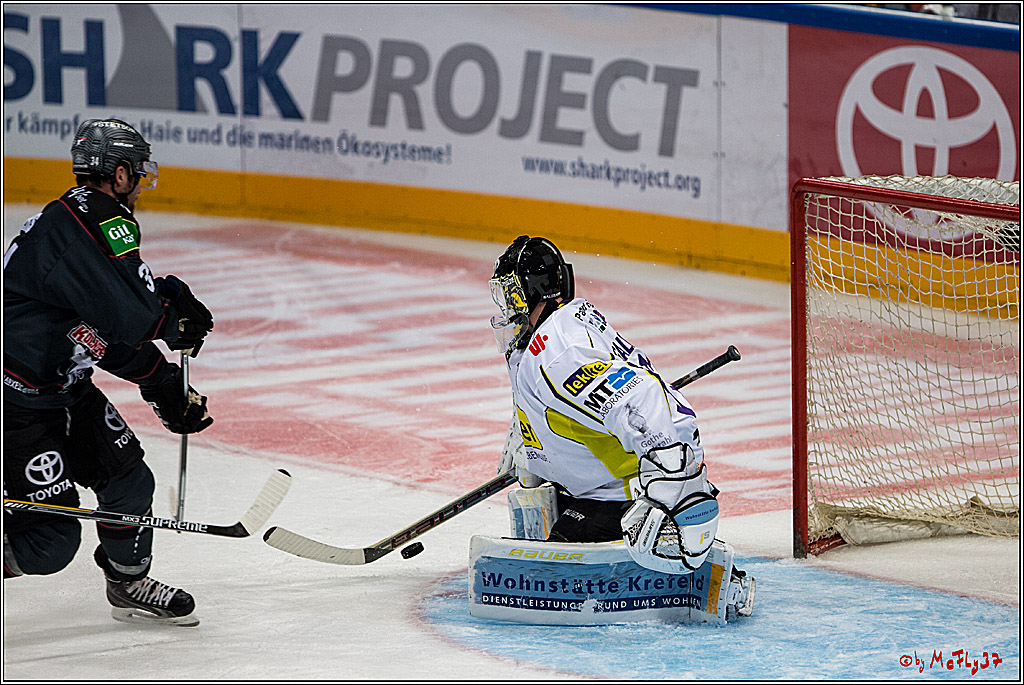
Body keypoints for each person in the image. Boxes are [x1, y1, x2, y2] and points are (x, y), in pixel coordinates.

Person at [3, 118, 214, 626]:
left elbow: (95, 330)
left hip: (62, 390)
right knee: (50, 543)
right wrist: (166, 316)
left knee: (129, 481)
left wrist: (160, 380)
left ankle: (127, 582)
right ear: (118, 174)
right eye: (137, 172)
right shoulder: (84, 225)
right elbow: (131, 317)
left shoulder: (86, 222)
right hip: (16, 405)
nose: (141, 183)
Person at [489, 235, 736, 577]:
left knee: (550, 579)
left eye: (508, 294)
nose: (506, 308)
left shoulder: (557, 352)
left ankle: (671, 530)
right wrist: (531, 449)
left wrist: (672, 488)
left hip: (633, 495)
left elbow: (641, 397)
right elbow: (570, 408)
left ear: (528, 291)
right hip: (598, 485)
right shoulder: (562, 328)